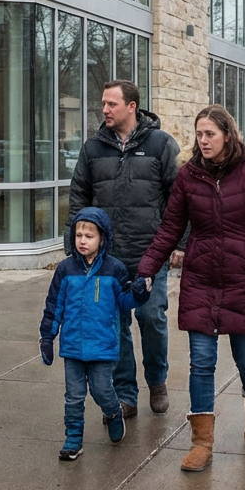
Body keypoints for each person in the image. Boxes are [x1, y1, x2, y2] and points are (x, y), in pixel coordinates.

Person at [137, 105, 245, 472]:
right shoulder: (188, 176)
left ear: (227, 134)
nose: (203, 141)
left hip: (244, 278)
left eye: (210, 134)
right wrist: (147, 267)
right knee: (201, 363)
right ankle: (202, 442)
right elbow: (170, 228)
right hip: (201, 279)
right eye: (199, 134)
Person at [70, 80, 181, 417]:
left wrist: (180, 244)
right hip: (107, 259)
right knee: (115, 326)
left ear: (131, 107)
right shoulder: (93, 148)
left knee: (151, 318)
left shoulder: (161, 144)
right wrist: (75, 245)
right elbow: (79, 196)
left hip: (150, 253)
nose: (104, 109)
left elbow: (179, 200)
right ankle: (125, 395)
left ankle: (157, 381)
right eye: (103, 103)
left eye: (111, 104)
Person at [38, 207, 152, 461]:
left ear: (103, 238)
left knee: (102, 390)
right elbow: (54, 305)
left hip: (103, 346)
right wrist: (47, 336)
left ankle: (113, 413)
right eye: (78, 235)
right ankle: (73, 439)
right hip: (73, 347)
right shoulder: (66, 270)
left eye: (89, 236)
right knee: (74, 396)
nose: (82, 240)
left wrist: (140, 292)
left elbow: (125, 302)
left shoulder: (114, 269)